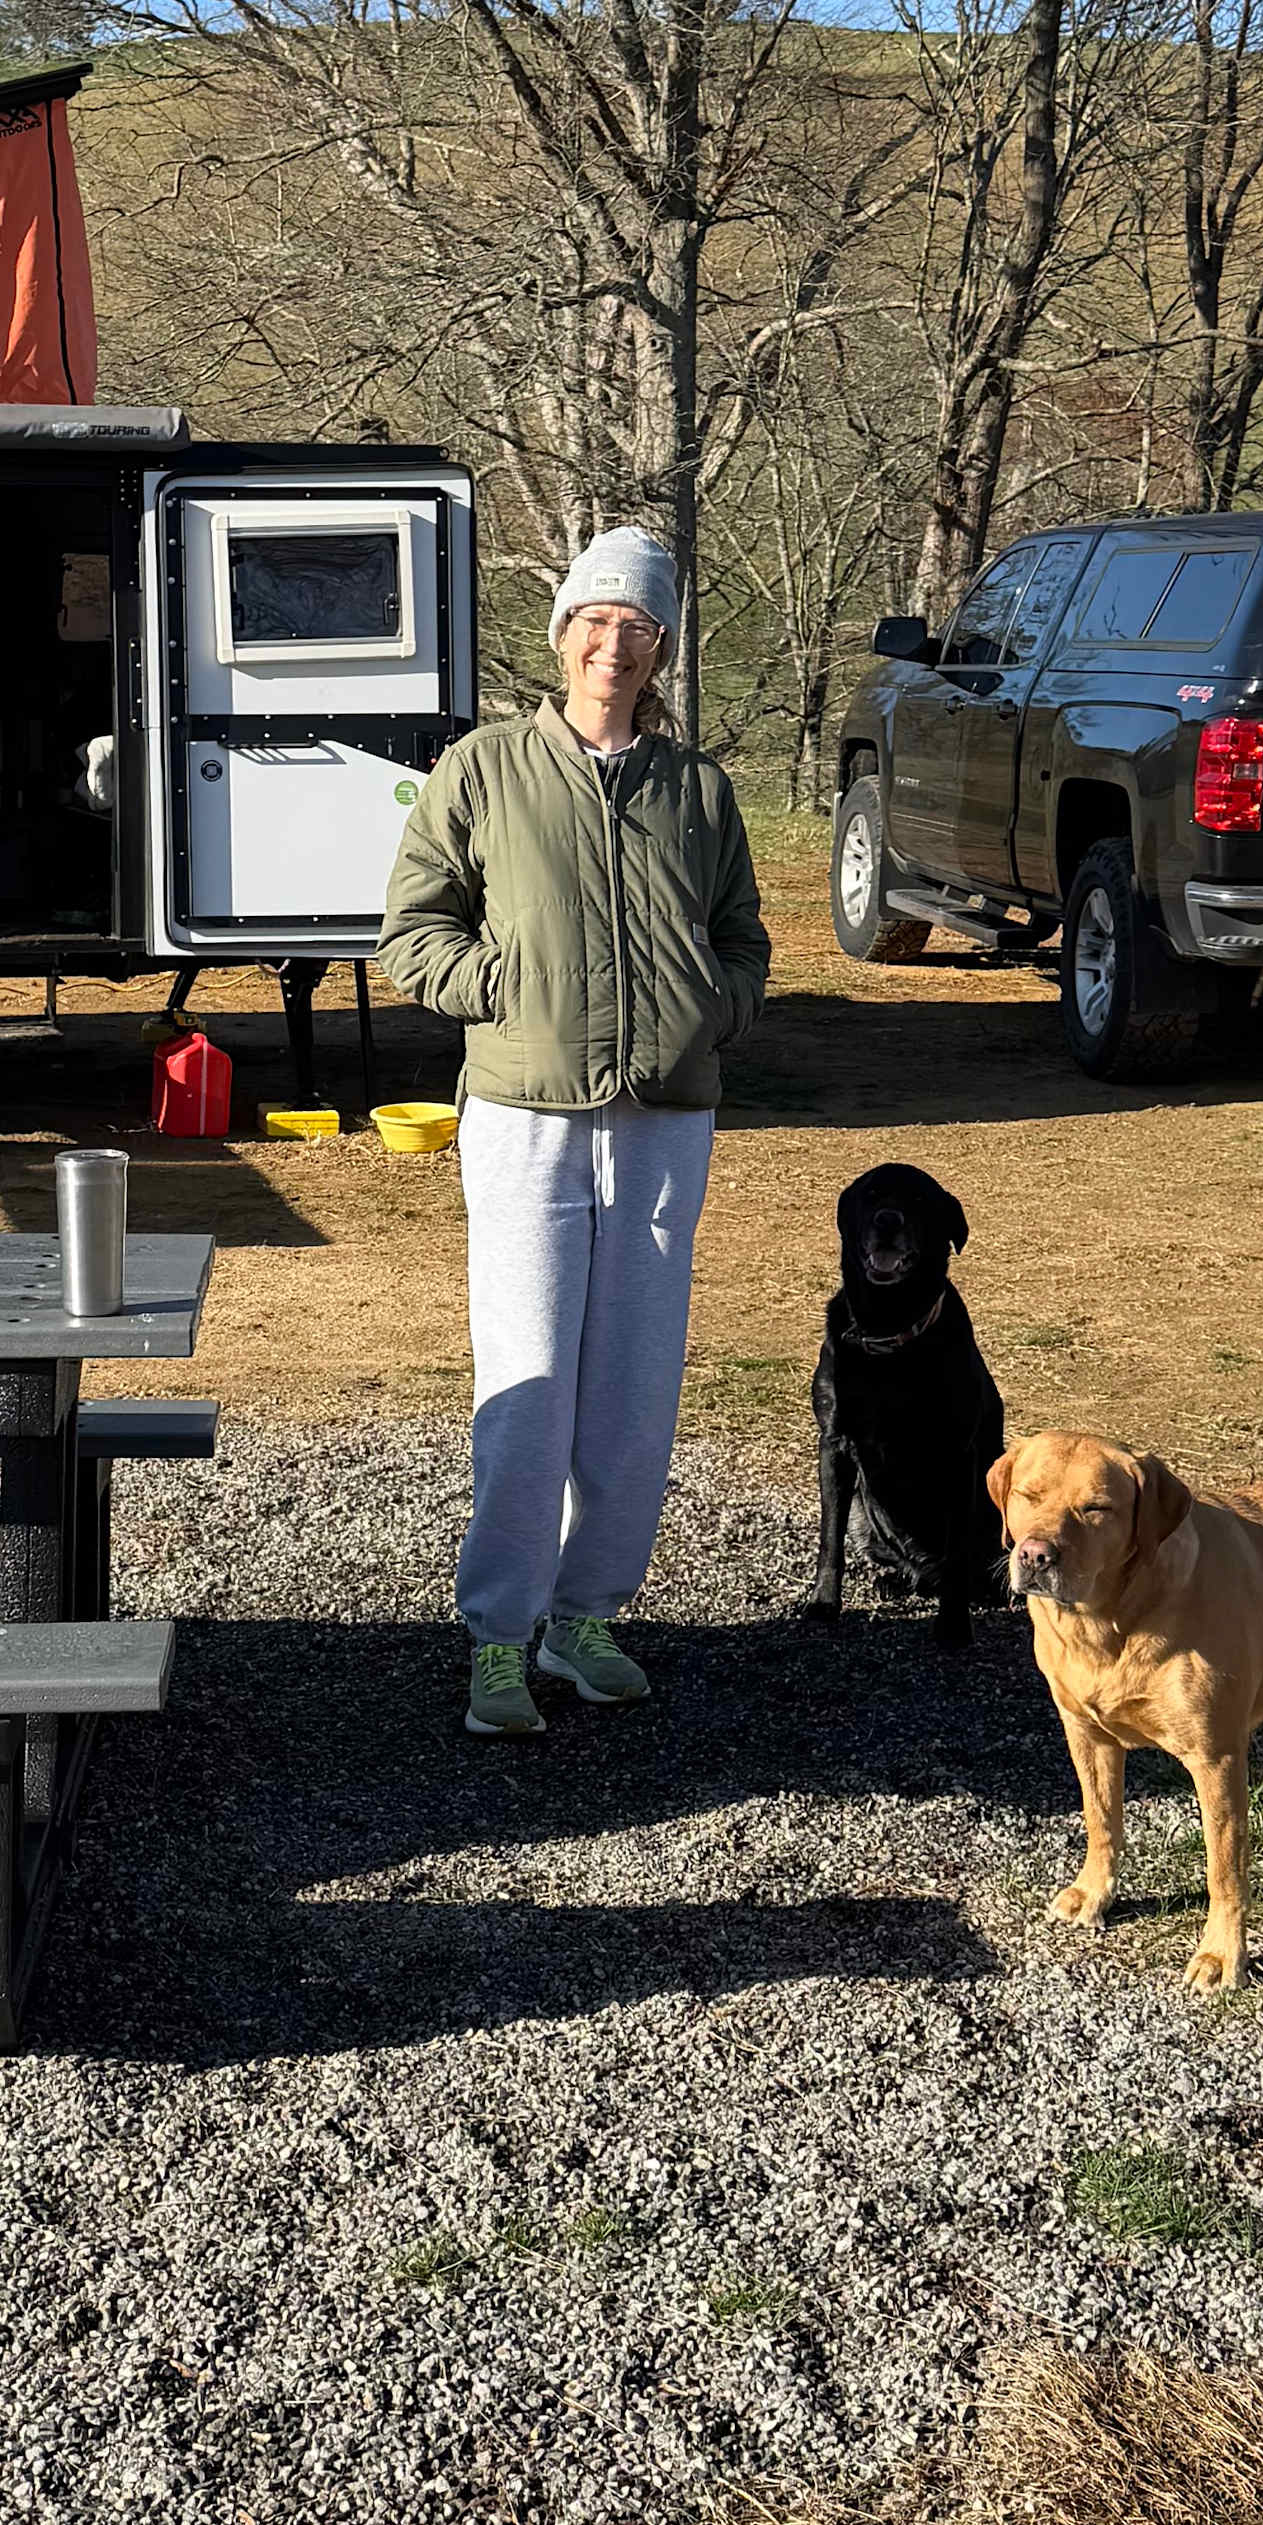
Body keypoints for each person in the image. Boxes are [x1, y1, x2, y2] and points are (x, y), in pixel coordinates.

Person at [377, 525, 771, 1734]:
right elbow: (410, 933)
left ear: (659, 648)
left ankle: (587, 1615)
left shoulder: (697, 790)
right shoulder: (483, 770)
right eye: (595, 621)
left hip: (664, 1119)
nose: (614, 644)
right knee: (531, 1378)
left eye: (638, 627)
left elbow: (743, 937)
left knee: (636, 1387)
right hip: (524, 1115)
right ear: (563, 635)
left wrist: (715, 1009)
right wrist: (503, 987)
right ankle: (500, 1633)